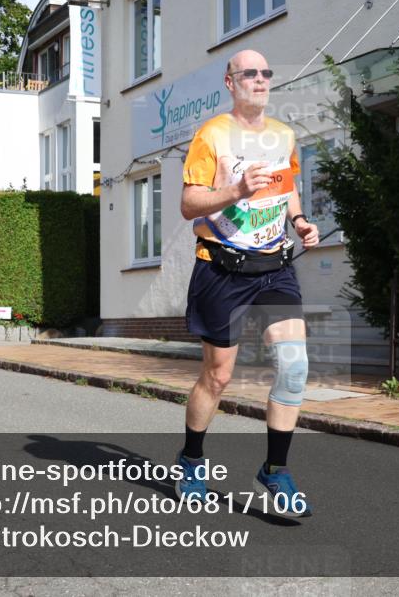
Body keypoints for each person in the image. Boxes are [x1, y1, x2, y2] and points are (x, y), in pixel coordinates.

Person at [177, 49, 319, 517]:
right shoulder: (212, 135)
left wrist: (298, 220)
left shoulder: (284, 135)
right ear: (230, 82)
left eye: (265, 72)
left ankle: (275, 470)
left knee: (294, 368)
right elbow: (189, 203)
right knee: (218, 376)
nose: (259, 79)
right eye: (249, 73)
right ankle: (192, 459)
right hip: (222, 269)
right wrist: (237, 190)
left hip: (274, 268)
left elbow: (288, 186)